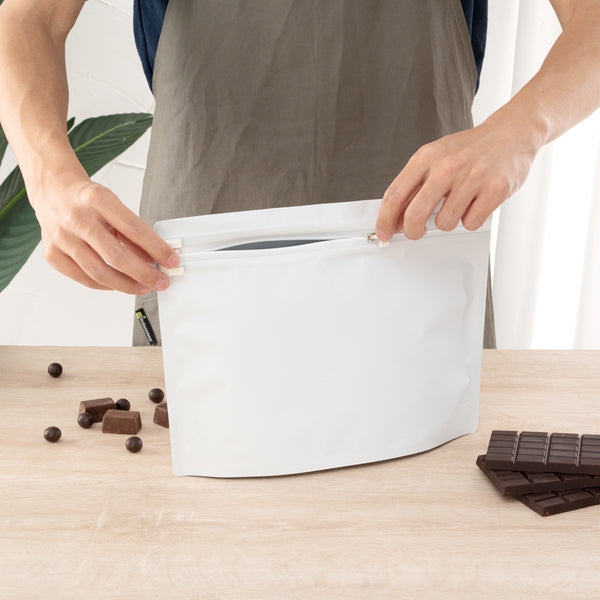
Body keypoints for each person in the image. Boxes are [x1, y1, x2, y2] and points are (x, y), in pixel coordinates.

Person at [0, 0, 598, 347]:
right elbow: (29, 18)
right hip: (206, 237)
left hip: (417, 227)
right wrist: (50, 180)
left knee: (427, 506)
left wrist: (521, 129)